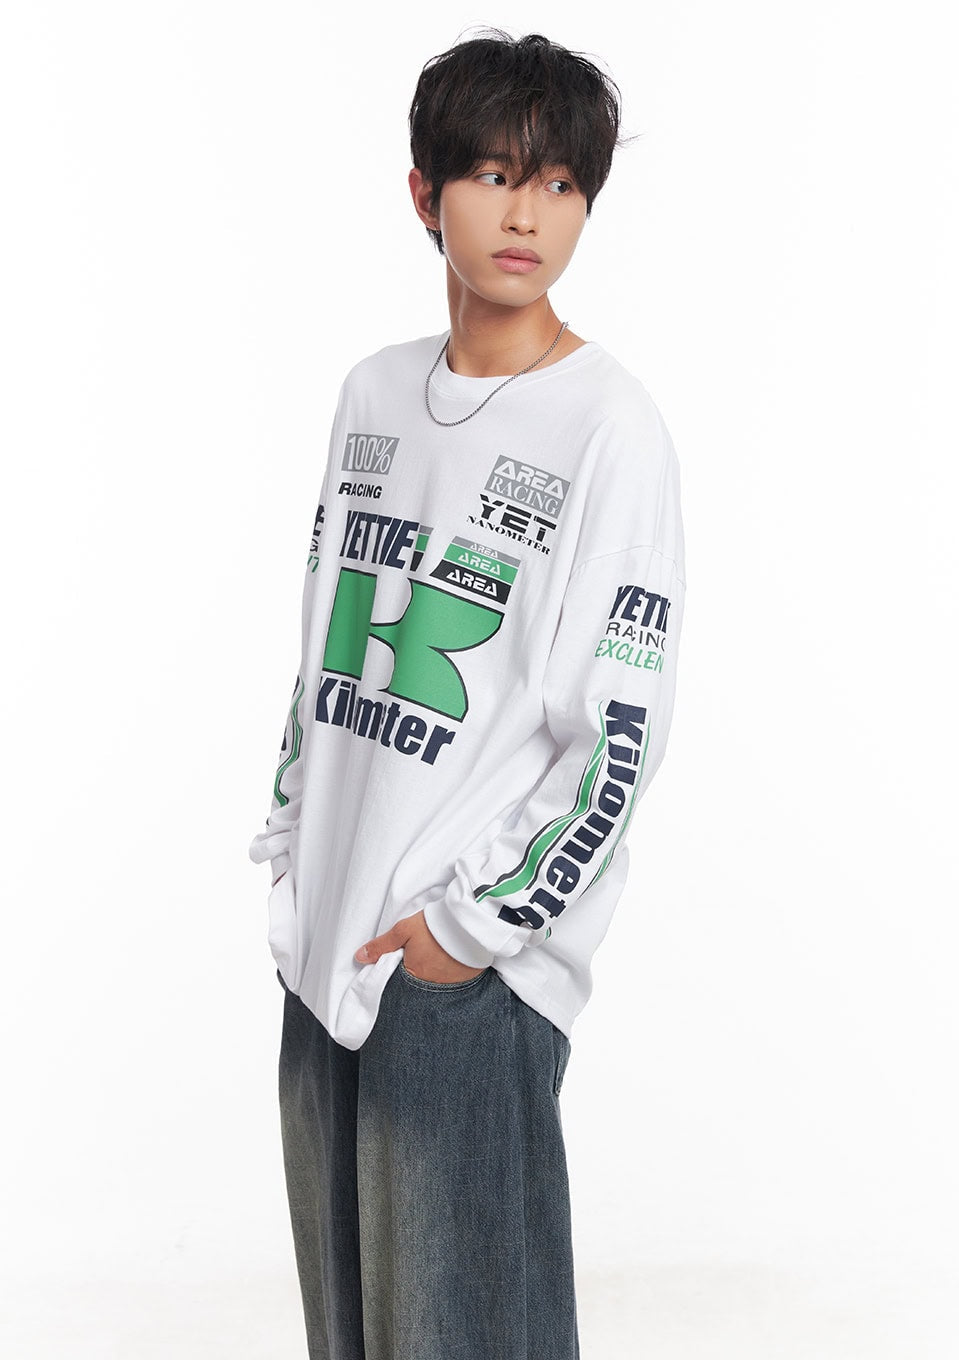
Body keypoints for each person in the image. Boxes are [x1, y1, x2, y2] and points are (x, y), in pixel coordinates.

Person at [248, 27, 687, 1360]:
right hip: (329, 953)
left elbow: (618, 730)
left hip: (461, 974)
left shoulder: (609, 426)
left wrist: (472, 928)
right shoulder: (373, 395)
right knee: (351, 1337)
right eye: (494, 174)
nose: (526, 215)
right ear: (425, 193)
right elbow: (326, 643)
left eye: (559, 183)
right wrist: (294, 854)